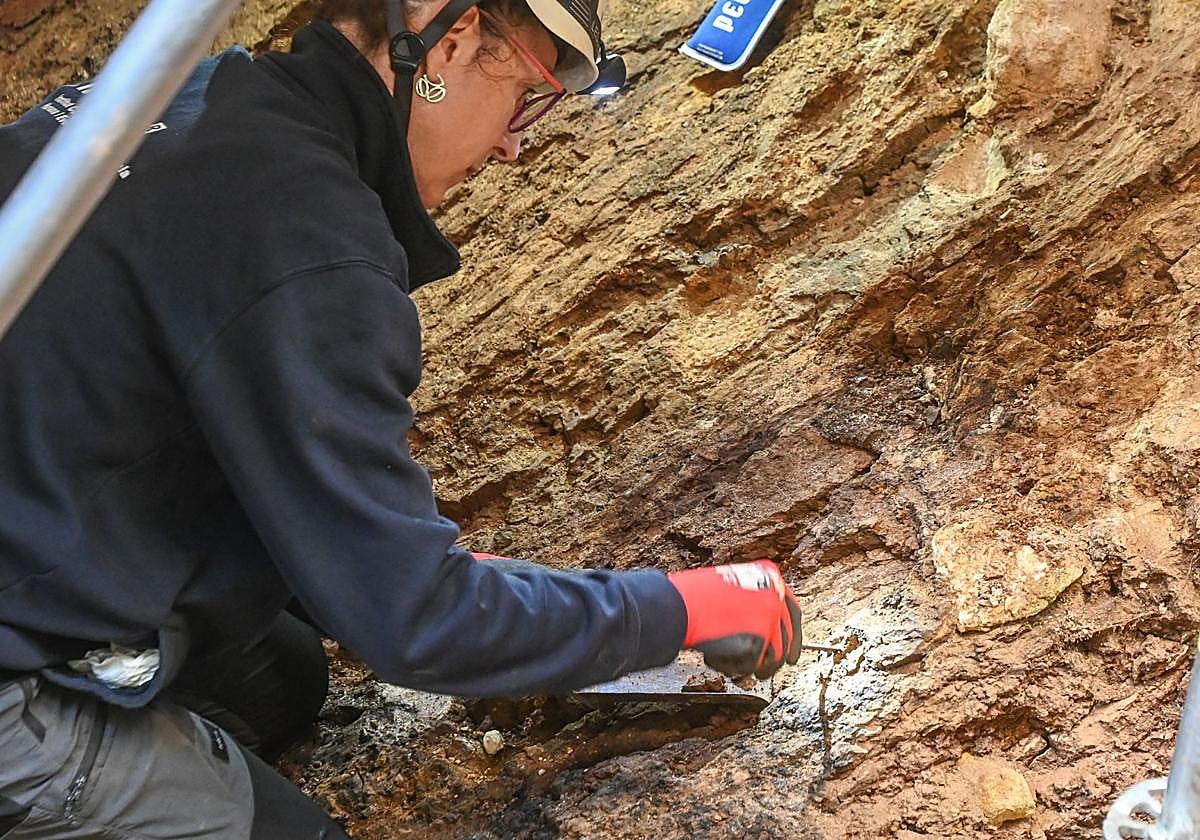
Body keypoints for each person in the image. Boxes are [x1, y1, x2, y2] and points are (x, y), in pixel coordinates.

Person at [0, 0, 803, 836]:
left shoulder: (191, 99)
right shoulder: (312, 249)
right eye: (526, 97)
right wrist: (688, 610)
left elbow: (131, 392)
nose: (513, 143)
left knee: (283, 673)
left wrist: (387, 559)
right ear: (450, 43)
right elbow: (417, 625)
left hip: (29, 518)